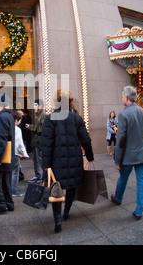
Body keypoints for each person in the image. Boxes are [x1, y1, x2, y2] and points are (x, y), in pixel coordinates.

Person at [41, 88, 94, 233]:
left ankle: (58, 220)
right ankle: (67, 212)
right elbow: (86, 140)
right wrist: (90, 156)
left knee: (56, 190)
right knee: (71, 186)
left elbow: (46, 144)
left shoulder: (49, 118)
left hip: (56, 161)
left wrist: (45, 167)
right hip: (74, 160)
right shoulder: (76, 118)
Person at [112, 86, 143, 220]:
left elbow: (121, 140)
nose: (122, 98)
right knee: (142, 181)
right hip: (142, 153)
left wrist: (117, 159)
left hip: (128, 155)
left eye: (123, 96)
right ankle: (139, 211)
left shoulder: (124, 114)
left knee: (123, 178)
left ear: (127, 98)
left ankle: (118, 198)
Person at [26, 99, 47, 182]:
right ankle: (38, 175)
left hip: (40, 139)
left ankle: (44, 176)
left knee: (39, 159)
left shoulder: (44, 115)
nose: (34, 107)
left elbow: (40, 128)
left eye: (35, 105)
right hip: (36, 139)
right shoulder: (37, 115)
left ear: (40, 106)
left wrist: (31, 127)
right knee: (35, 159)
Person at [11, 110, 29, 197]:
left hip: (8, 152)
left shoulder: (7, 127)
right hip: (15, 153)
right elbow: (19, 143)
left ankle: (10, 188)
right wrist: (24, 153)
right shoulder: (17, 129)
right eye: (19, 120)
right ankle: (13, 189)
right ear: (16, 120)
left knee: (10, 172)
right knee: (15, 172)